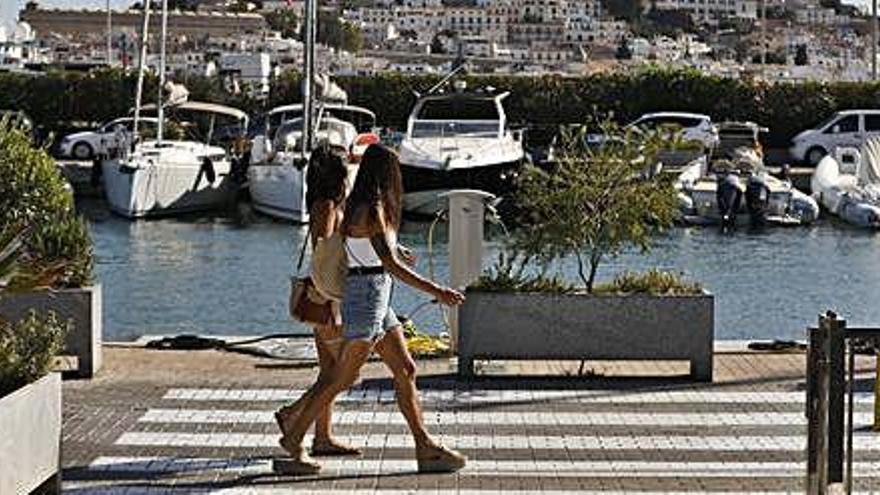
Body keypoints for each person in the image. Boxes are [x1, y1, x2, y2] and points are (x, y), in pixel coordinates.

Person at [277, 143, 467, 474]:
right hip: (366, 295)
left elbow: (364, 245)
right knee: (342, 376)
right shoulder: (371, 205)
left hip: (376, 294)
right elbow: (387, 262)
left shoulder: (354, 206)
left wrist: (397, 248)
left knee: (405, 369)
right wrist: (437, 290)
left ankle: (424, 447)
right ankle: (293, 440)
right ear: (387, 173)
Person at [275, 146, 361, 459]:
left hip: (323, 294)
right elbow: (324, 253)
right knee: (343, 373)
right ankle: (293, 414)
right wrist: (334, 301)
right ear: (337, 174)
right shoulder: (326, 207)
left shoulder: (324, 203)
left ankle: (323, 437)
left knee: (328, 372)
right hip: (327, 297)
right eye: (346, 167)